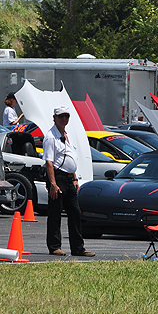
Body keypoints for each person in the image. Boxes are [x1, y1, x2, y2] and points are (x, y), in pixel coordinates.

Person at [43, 106, 94, 257]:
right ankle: (54, 246)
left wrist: (74, 177)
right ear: (54, 118)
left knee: (75, 213)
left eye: (66, 116)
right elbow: (49, 162)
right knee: (55, 213)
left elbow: (69, 156)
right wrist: (53, 184)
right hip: (57, 177)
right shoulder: (51, 137)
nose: (64, 119)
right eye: (61, 116)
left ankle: (78, 248)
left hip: (69, 178)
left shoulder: (66, 134)